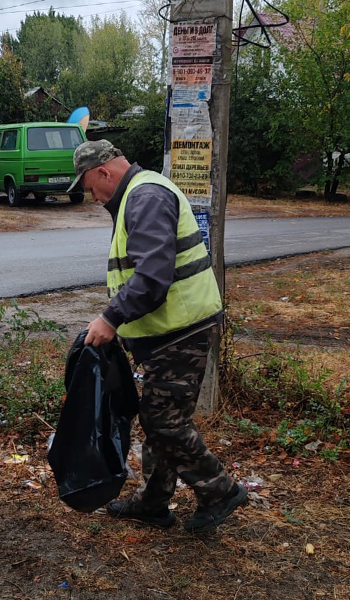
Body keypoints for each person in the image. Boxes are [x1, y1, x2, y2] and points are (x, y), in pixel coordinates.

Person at [67, 139, 247, 533]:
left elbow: (152, 278)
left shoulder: (144, 197)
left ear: (104, 172)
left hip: (181, 330)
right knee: (160, 416)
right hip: (169, 332)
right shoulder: (137, 194)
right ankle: (153, 501)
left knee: (163, 419)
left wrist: (111, 319)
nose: (92, 197)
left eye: (90, 187)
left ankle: (220, 490)